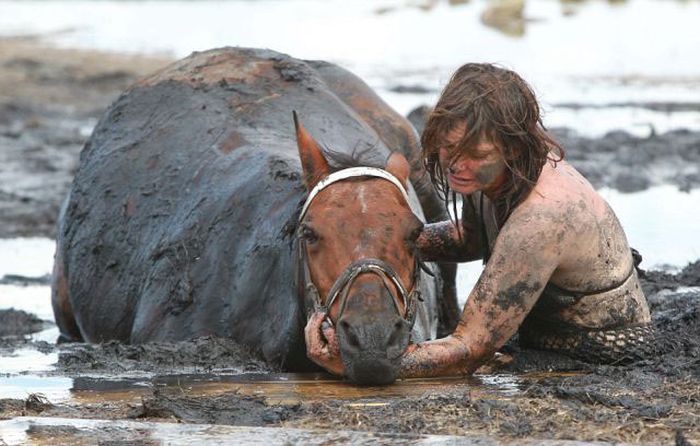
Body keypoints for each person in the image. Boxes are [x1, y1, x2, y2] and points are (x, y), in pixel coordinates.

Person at [305, 63, 655, 378]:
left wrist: (360, 360)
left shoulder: (544, 217)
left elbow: (469, 348)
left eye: (477, 154)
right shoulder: (490, 173)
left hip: (599, 354)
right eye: (449, 148)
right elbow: (472, 238)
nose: (457, 165)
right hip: (539, 337)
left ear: (514, 147)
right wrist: (383, 245)